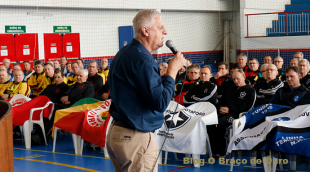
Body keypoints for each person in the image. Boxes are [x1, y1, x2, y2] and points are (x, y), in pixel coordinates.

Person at [107, 9, 185, 172]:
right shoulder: (143, 60)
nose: (165, 31)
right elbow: (160, 102)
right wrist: (172, 71)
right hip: (135, 138)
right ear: (145, 30)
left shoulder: (124, 53)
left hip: (118, 133)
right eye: (160, 27)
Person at [209, 69, 256, 156]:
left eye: (238, 79)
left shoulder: (251, 91)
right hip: (224, 112)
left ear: (244, 77)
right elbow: (220, 101)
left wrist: (230, 110)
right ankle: (213, 150)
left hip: (238, 115)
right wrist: (220, 108)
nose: (236, 81)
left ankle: (221, 150)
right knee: (210, 123)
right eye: (234, 79)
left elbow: (246, 107)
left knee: (220, 123)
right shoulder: (231, 89)